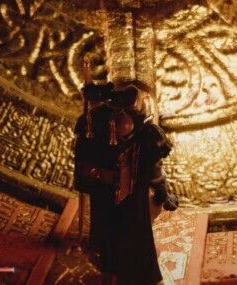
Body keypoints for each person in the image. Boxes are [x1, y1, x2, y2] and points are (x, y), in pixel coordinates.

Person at [74, 83, 178, 285]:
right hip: (108, 199)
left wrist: (162, 194)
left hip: (132, 201)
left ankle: (123, 272)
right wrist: (99, 175)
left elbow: (155, 172)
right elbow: (83, 168)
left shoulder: (146, 138)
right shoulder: (93, 133)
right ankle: (112, 271)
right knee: (111, 240)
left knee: (131, 241)